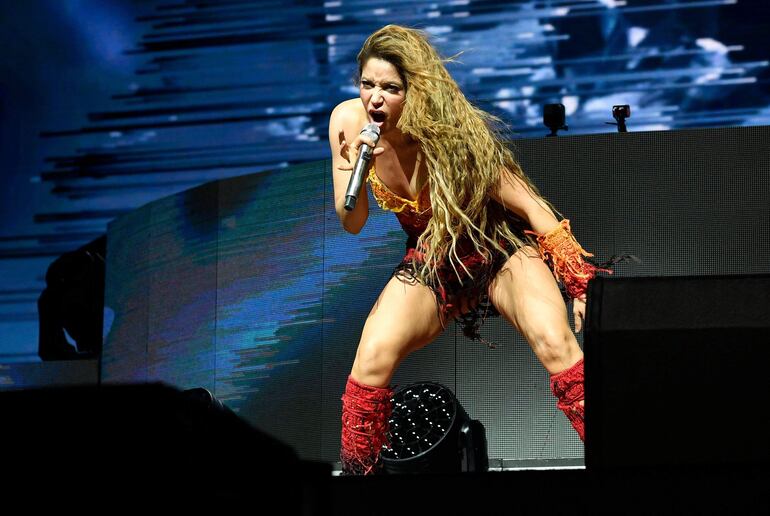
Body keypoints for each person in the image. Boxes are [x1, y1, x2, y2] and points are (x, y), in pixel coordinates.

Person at [328, 25, 611, 475]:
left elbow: (532, 207)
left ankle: (622, 460)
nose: (374, 99)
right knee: (370, 361)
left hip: (496, 245)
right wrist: (355, 166)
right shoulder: (346, 123)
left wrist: (583, 286)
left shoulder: (455, 138)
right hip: (433, 255)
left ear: (415, 91)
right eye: (367, 84)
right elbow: (353, 221)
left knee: (557, 345)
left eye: (390, 88)